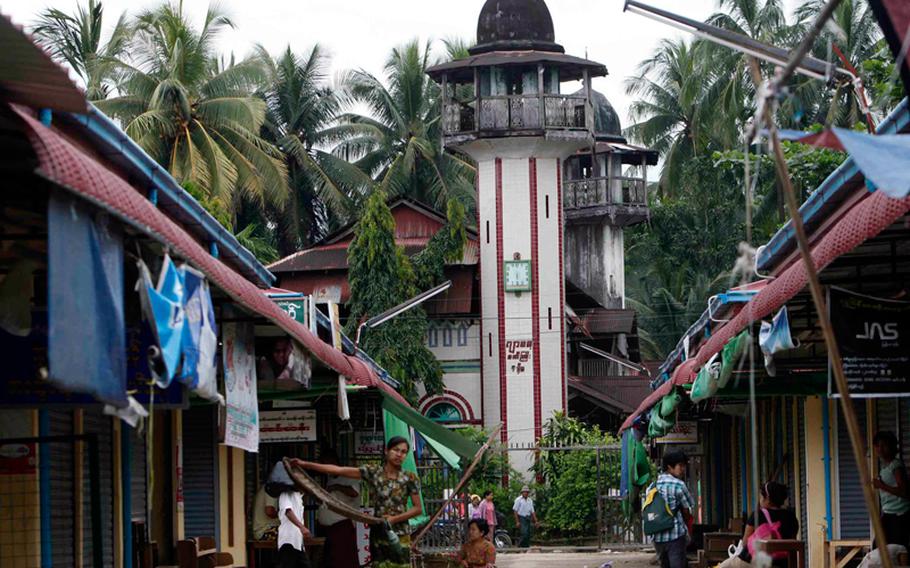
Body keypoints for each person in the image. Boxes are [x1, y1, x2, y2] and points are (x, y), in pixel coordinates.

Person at [290, 436, 423, 567]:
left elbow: (418, 509)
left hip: (400, 534)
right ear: (386, 451)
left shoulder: (410, 478)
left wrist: (394, 519)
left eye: (403, 452)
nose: (399, 454)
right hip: (378, 533)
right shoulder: (373, 472)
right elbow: (339, 470)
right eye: (396, 450)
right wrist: (305, 464)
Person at [718, 481, 799, 568]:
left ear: (767, 499)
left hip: (753, 562)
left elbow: (745, 543)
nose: (760, 499)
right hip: (782, 563)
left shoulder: (757, 515)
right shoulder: (791, 516)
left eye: (761, 496)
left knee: (723, 566)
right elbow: (792, 542)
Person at [650, 450, 694, 568]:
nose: (683, 469)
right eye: (680, 465)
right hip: (675, 535)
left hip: (657, 536)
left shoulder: (653, 485)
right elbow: (686, 511)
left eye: (684, 465)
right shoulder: (679, 485)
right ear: (670, 466)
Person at [316, 449, 360, 568]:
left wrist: (337, 487)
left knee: (344, 560)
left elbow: (354, 492)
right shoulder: (330, 479)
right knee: (333, 560)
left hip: (343, 525)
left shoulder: (348, 476)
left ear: (333, 461)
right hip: (331, 528)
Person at [872, 431, 910, 549]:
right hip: (889, 514)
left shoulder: (895, 465)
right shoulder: (886, 466)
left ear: (892, 447)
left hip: (899, 515)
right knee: (879, 546)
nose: (880, 449)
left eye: (884, 445)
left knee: (896, 549)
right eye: (878, 446)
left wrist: (881, 485)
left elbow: (903, 491)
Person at [277, 488, 310, 568]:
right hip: (288, 540)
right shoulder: (286, 494)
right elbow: (288, 512)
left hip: (298, 542)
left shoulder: (299, 496)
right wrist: (302, 527)